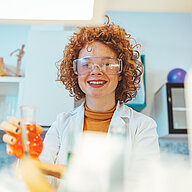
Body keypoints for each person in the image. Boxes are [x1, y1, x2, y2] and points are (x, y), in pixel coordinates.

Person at [1, 16, 159, 187]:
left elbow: (147, 184)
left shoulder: (143, 126)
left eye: (107, 64)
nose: (96, 71)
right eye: (86, 64)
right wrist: (27, 157)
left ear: (121, 72)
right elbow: (39, 182)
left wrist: (55, 169)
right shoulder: (61, 123)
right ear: (75, 71)